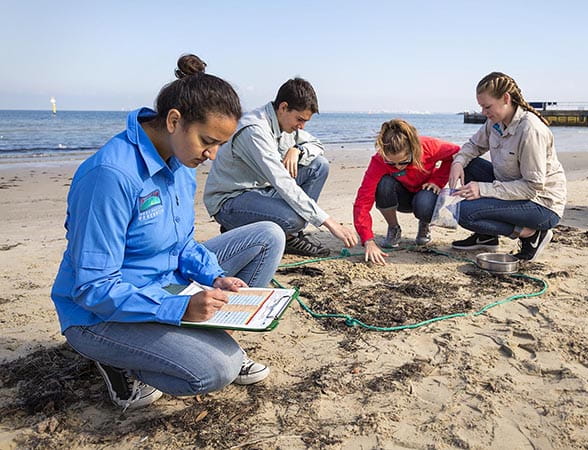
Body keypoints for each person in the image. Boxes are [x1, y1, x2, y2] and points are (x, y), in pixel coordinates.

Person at [51, 55, 286, 410]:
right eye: (208, 141)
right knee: (216, 369)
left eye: (220, 144)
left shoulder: (180, 159)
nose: (212, 155)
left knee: (268, 236)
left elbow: (182, 243)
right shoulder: (110, 176)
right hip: (98, 314)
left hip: (166, 281)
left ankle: (200, 339)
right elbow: (92, 288)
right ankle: (120, 360)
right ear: (174, 120)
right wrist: (180, 308)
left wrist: (217, 276)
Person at [203, 78, 357, 257]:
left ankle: (290, 235)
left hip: (262, 190)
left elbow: (317, 144)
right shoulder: (255, 130)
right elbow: (282, 181)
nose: (302, 126)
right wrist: (330, 223)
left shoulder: (286, 124)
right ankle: (241, 226)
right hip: (231, 199)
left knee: (319, 165)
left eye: (305, 121)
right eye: (300, 119)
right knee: (296, 218)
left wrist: (297, 150)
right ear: (283, 107)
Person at [449, 72, 566, 261]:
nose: (483, 112)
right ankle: (486, 237)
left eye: (487, 107)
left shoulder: (530, 130)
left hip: (541, 205)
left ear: (506, 99)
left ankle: (532, 234)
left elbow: (532, 187)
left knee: (464, 213)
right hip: (510, 186)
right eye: (481, 107)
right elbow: (474, 145)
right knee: (469, 166)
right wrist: (458, 162)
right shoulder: (494, 122)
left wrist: (482, 189)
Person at [353, 119, 460, 265]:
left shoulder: (428, 146)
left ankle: (424, 224)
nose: (397, 167)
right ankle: (394, 228)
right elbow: (362, 202)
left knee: (424, 203)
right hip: (401, 197)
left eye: (403, 162)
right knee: (384, 184)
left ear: (413, 149)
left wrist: (438, 180)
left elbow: (456, 153)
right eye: (391, 163)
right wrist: (368, 240)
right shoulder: (379, 161)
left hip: (425, 193)